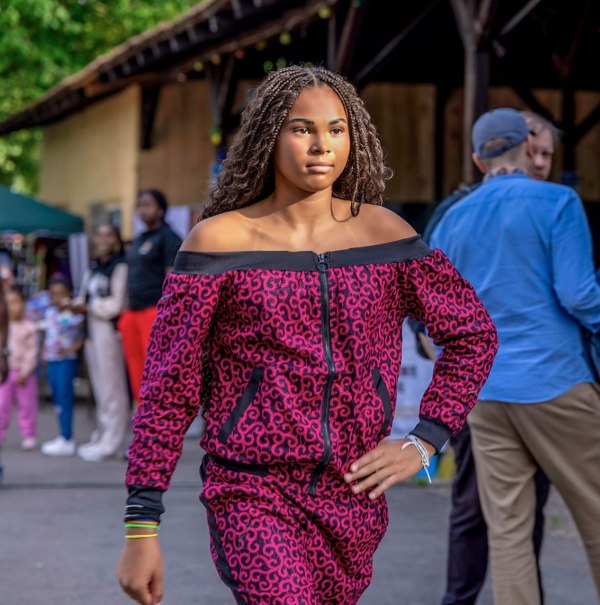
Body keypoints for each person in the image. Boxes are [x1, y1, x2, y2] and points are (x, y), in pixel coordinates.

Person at [116, 65, 498, 605]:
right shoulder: (220, 242)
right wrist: (141, 525)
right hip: (251, 490)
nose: (322, 145)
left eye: (336, 129)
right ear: (268, 137)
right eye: (302, 129)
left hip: (355, 494)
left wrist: (426, 439)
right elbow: (167, 388)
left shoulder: (385, 235)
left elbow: (472, 334)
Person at [430, 108, 600, 605]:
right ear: (528, 148)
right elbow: (577, 294)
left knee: (508, 529)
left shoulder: (452, 220)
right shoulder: (558, 202)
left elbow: (442, 317)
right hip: (557, 384)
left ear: (478, 161)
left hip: (485, 394)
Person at [441, 109, 559, 605]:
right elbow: (427, 289)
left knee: (531, 507)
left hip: (540, 383)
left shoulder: (554, 209)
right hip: (480, 386)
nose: (539, 162)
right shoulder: (461, 210)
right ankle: (459, 600)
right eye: (534, 151)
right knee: (472, 506)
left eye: (547, 154)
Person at [72, 224, 130, 462]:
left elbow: (117, 304)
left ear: (116, 240)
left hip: (108, 329)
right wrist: (75, 305)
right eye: (100, 234)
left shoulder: (120, 266)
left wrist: (89, 307)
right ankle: (101, 434)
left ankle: (112, 440)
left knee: (112, 385)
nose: (103, 240)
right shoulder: (94, 265)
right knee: (98, 386)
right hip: (91, 329)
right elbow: (84, 295)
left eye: (109, 235)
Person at [119, 189, 181, 403]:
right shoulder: (139, 239)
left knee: (156, 368)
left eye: (147, 205)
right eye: (140, 205)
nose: (142, 210)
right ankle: (142, 412)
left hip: (154, 311)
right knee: (135, 368)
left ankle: (159, 412)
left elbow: (173, 280)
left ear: (161, 209)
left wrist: (168, 314)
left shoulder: (168, 237)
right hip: (133, 312)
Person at [39, 276, 85, 456]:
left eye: (61, 293)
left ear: (68, 294)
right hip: (51, 360)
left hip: (66, 360)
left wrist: (72, 348)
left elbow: (83, 334)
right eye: (53, 294)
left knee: (65, 398)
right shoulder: (49, 312)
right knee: (57, 398)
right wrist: (44, 352)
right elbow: (48, 334)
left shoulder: (74, 314)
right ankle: (62, 436)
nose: (57, 297)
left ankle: (67, 438)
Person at [0, 287, 38, 453]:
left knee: (27, 406)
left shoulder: (29, 327)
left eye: (15, 302)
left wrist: (25, 371)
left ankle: (28, 435)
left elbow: (32, 352)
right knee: (1, 406)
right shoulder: (3, 327)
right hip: (4, 373)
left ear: (23, 304)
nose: (11, 307)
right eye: (7, 303)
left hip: (24, 374)